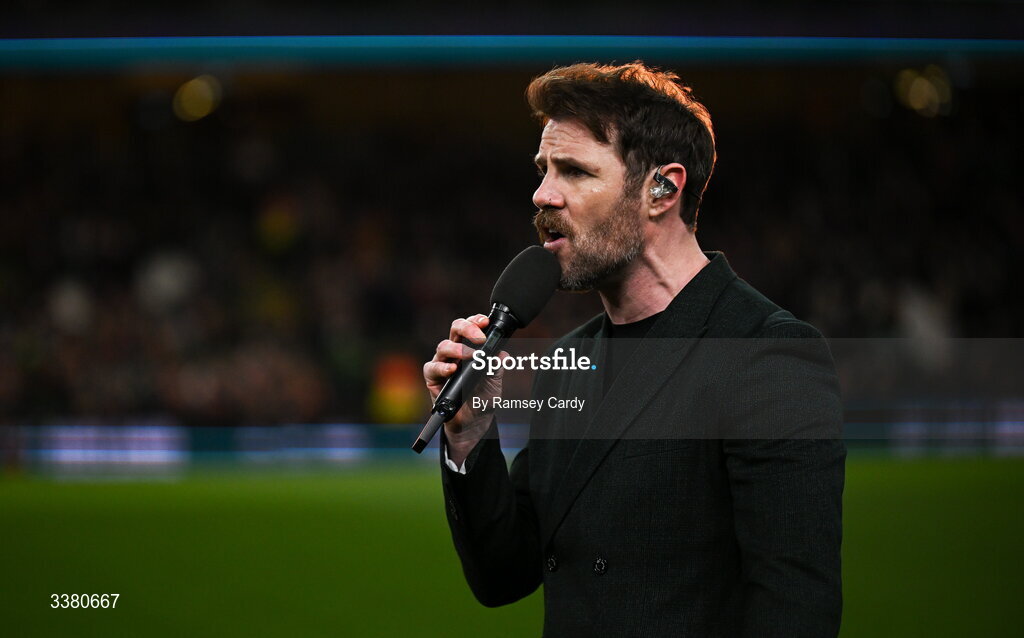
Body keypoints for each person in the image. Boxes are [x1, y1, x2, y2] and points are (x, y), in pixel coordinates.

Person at [423, 61, 845, 637]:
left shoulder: (766, 354)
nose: (542, 194)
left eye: (573, 170)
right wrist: (471, 438)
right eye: (544, 169)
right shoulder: (565, 367)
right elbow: (505, 576)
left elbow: (794, 610)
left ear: (662, 189)